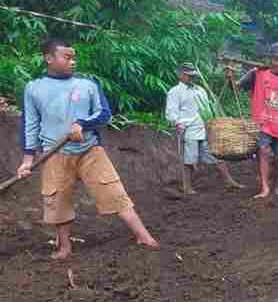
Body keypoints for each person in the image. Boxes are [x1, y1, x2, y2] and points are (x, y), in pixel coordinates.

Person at [16, 37, 159, 259]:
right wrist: (27, 160)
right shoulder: (34, 88)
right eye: (67, 57)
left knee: (114, 191)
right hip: (54, 153)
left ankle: (143, 236)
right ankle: (64, 247)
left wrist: (82, 123)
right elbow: (30, 124)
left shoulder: (88, 85)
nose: (73, 61)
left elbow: (104, 114)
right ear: (49, 58)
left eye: (74, 57)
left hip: (90, 150)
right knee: (58, 199)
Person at [226, 43, 278, 198]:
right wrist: (230, 78)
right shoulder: (257, 73)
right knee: (264, 151)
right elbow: (236, 88)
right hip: (263, 122)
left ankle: (275, 186)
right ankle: (264, 188)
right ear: (270, 59)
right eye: (277, 59)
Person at [165, 63, 244, 195]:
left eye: (193, 75)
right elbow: (170, 113)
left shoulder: (200, 90)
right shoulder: (175, 92)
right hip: (188, 130)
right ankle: (187, 187)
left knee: (216, 155)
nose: (192, 78)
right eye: (188, 75)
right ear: (181, 75)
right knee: (189, 159)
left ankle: (229, 182)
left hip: (204, 128)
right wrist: (177, 123)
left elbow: (207, 108)